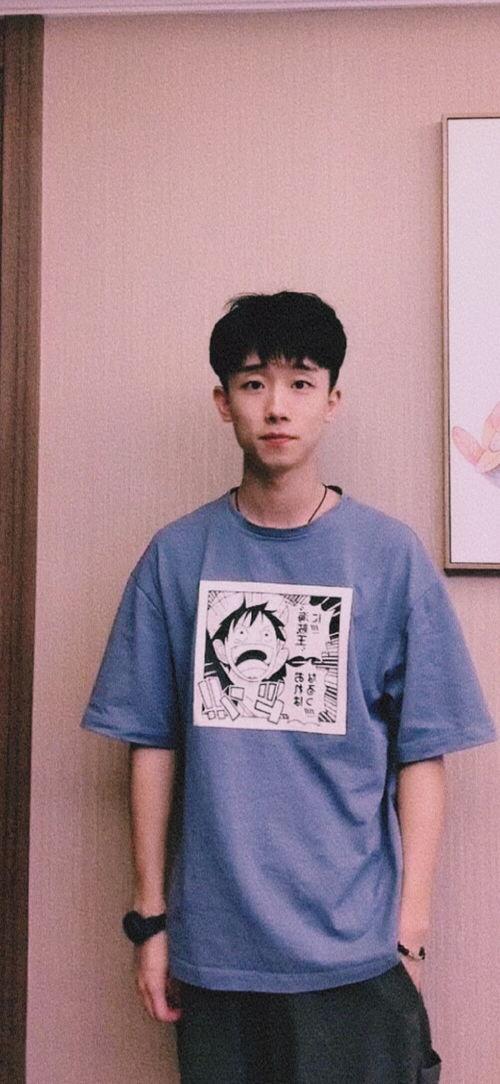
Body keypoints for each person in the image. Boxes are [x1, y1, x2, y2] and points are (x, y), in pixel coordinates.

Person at [81, 291, 496, 1084]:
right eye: (252, 383)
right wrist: (150, 921)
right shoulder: (177, 557)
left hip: (356, 952)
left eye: (301, 382)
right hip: (216, 951)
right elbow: (150, 743)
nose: (277, 406)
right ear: (223, 403)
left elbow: (424, 752)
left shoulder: (388, 557)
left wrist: (410, 933)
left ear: (332, 401)